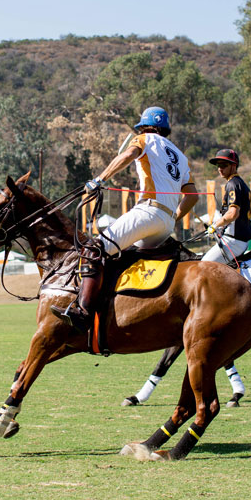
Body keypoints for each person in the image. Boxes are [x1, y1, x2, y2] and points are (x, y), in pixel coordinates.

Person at [53, 106, 197, 332]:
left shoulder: (143, 139)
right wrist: (174, 217)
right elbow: (193, 196)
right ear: (165, 128)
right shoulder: (181, 156)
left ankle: (82, 312)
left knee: (95, 249)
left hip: (148, 212)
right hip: (166, 223)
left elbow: (128, 155)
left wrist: (99, 179)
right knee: (125, 258)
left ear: (144, 126)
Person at [201, 149, 251, 265]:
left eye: (224, 165)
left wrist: (215, 225)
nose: (220, 168)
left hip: (234, 241)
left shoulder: (233, 184)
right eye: (218, 165)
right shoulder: (239, 183)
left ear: (234, 166)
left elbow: (233, 213)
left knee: (204, 265)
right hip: (236, 239)